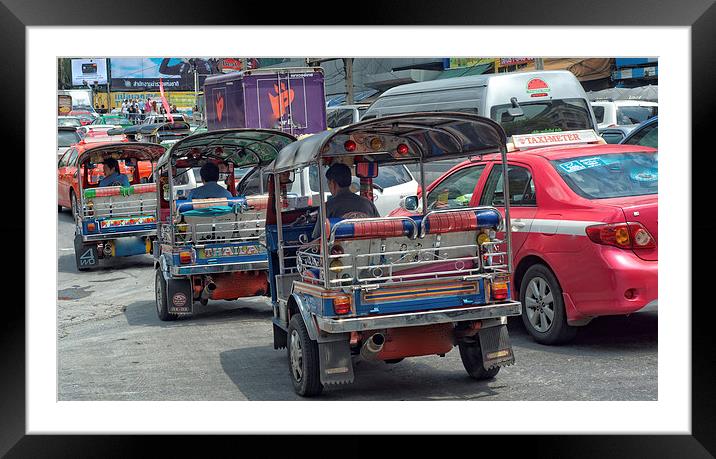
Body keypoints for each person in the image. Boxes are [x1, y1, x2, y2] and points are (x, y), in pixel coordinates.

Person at [311, 162, 379, 240]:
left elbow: (317, 238)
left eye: (328, 183)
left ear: (333, 183)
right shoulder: (368, 203)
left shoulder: (327, 207)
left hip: (338, 250)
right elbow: (380, 227)